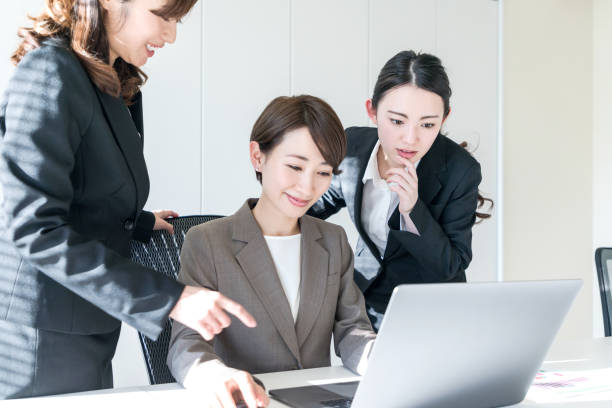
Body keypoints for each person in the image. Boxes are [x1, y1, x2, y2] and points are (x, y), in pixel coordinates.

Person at [0, 0, 255, 399]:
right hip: (42, 339)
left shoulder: (114, 80)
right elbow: (33, 228)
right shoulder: (49, 73)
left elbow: (84, 186)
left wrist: (135, 220)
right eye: (162, 16)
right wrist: (172, 298)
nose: (170, 35)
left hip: (87, 325)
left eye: (177, 21)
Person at [167, 95, 377, 408]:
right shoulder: (207, 241)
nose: (307, 188)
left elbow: (352, 330)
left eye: (323, 172)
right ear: (258, 156)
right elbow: (186, 343)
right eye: (295, 166)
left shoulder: (333, 240)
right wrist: (211, 375)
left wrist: (384, 360)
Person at [308, 50, 493, 330]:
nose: (410, 138)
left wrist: (411, 210)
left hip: (434, 314)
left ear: (444, 119)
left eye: (428, 124)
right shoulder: (352, 148)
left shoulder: (460, 169)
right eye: (397, 121)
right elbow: (309, 205)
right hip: (365, 303)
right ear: (372, 111)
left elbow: (452, 265)